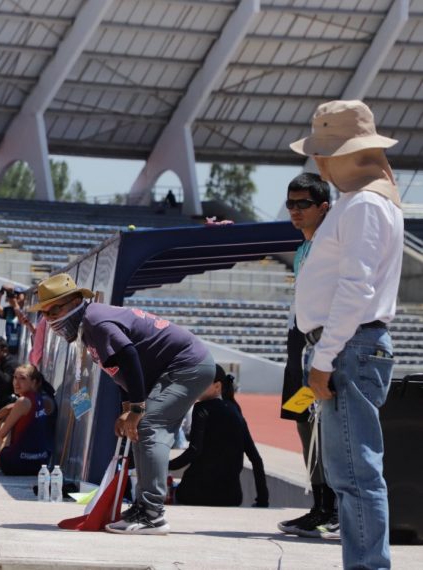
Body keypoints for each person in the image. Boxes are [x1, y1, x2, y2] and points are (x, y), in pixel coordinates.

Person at [290, 100, 403, 570]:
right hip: (349, 346)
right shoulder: (365, 204)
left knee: (354, 474)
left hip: (346, 349)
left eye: (325, 152)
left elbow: (356, 289)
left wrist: (323, 359)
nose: (318, 162)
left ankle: (367, 567)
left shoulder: (361, 207)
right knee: (352, 473)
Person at [28, 273, 214, 535]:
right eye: (45, 313)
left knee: (148, 425)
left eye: (54, 309)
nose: (50, 318)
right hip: (170, 368)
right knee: (136, 428)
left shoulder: (96, 321)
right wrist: (127, 408)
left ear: (74, 301)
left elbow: (129, 356)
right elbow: (118, 370)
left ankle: (152, 514)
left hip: (187, 364)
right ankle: (143, 506)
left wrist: (137, 409)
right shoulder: (90, 325)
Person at [276, 172, 338, 539]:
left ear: (323, 207)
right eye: (290, 204)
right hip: (297, 343)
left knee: (327, 426)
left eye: (304, 205)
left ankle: (334, 508)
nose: (295, 211)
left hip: (320, 345)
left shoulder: (329, 246)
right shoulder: (302, 250)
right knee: (304, 422)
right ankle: (319, 506)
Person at [170, 365, 269, 507]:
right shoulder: (235, 409)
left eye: (200, 383)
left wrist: (165, 466)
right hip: (231, 496)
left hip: (194, 493)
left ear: (217, 386)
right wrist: (263, 500)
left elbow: (194, 451)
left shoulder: (201, 408)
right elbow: (256, 458)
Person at [0, 364, 57, 476]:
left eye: (22, 378)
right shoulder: (40, 398)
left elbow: (1, 435)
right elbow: (12, 407)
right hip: (41, 463)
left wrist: (0, 454)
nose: (16, 383)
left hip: (15, 464)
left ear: (34, 382)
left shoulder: (23, 401)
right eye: (15, 378)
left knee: (0, 429)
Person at [0, 285, 27, 354]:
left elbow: (20, 317)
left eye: (17, 294)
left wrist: (13, 300)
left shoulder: (28, 310)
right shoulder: (9, 311)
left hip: (23, 348)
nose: (14, 297)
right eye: (13, 294)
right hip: (11, 347)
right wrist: (1, 292)